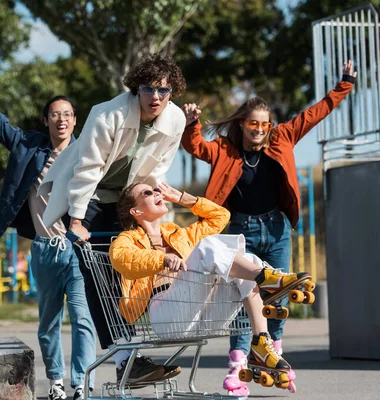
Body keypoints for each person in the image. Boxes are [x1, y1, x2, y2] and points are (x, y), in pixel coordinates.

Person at [181, 60, 357, 395]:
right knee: (243, 294)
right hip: (240, 232)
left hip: (276, 229)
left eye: (265, 124)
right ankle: (239, 363)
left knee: (278, 294)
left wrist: (344, 85)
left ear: (270, 125)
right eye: (252, 123)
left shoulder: (284, 137)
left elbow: (316, 112)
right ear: (243, 124)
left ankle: (274, 352)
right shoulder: (225, 150)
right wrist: (193, 125)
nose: (259, 129)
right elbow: (196, 147)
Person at [39, 53, 187, 384]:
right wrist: (77, 220)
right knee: (99, 276)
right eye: (149, 89)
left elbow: (158, 169)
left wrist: (149, 217)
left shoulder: (175, 119)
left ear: (173, 93)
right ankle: (125, 357)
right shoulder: (108, 115)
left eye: (164, 91)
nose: (156, 98)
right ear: (136, 89)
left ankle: (129, 359)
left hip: (126, 198)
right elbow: (87, 169)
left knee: (129, 273)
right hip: (88, 196)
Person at [0, 66, 96, 400]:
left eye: (66, 114)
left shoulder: (88, 154)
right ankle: (56, 382)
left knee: (82, 319)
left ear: (75, 120)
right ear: (47, 121)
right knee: (49, 323)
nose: (61, 120)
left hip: (77, 250)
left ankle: (80, 382)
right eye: (54, 115)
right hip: (43, 249)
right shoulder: (32, 149)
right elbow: (0, 126)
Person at [109, 182, 309, 389]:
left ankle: (261, 343)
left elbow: (221, 216)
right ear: (136, 210)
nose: (157, 193)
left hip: (204, 317)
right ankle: (268, 278)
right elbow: (121, 258)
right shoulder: (128, 239)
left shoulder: (178, 234)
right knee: (208, 247)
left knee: (246, 258)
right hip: (166, 317)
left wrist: (182, 198)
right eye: (148, 192)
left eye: (156, 189)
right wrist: (162, 259)